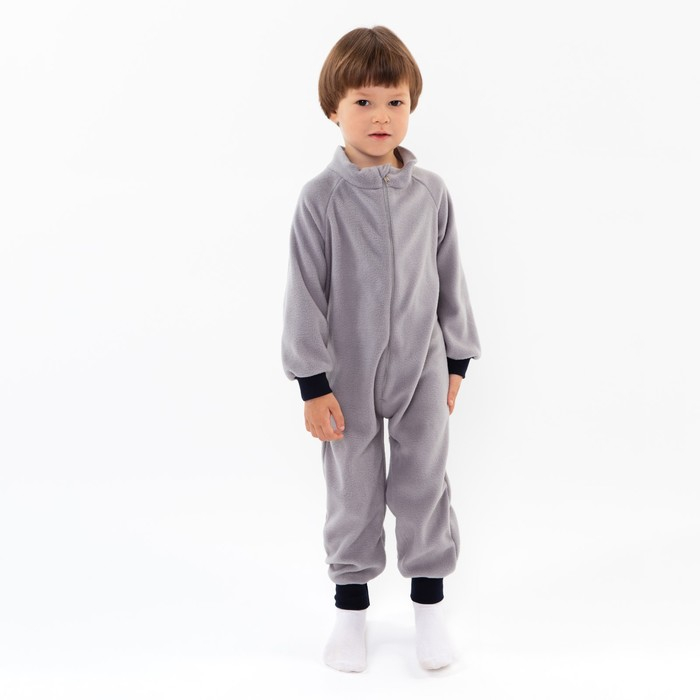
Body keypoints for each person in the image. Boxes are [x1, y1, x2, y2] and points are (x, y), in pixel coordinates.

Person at [280, 25, 481, 672]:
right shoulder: (322, 198)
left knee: (424, 484)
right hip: (348, 372)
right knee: (353, 492)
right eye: (363, 102)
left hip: (423, 366)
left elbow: (450, 277)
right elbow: (304, 291)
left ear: (411, 105)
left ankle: (429, 611)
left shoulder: (432, 193)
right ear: (332, 108)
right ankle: (350, 615)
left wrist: (456, 360)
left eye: (394, 101)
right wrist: (312, 383)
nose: (380, 116)